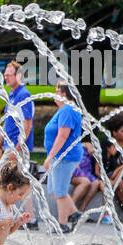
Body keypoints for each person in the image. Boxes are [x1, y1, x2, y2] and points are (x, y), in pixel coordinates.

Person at [40, 82, 85, 231]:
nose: (54, 92)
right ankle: (74, 214)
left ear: (64, 93)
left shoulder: (68, 110)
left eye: (56, 90)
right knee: (53, 191)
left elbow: (63, 135)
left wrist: (51, 156)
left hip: (65, 156)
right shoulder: (64, 110)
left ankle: (62, 224)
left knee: (59, 191)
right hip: (60, 156)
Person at [70, 141, 103, 214]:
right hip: (76, 170)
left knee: (95, 183)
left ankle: (82, 209)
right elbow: (91, 151)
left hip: (86, 172)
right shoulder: (86, 144)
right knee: (85, 182)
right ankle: (70, 208)